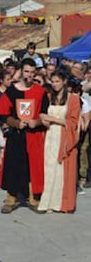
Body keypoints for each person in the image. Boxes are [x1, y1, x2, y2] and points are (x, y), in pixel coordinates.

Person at [0, 58, 49, 214]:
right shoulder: (12, 91)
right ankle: (11, 198)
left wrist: (37, 121)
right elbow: (3, 114)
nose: (29, 75)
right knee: (13, 165)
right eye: (26, 71)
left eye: (33, 72)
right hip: (16, 135)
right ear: (21, 72)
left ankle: (34, 198)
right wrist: (16, 123)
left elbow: (45, 114)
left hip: (34, 135)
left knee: (33, 165)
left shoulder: (40, 92)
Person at [38, 71, 81, 213]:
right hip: (49, 136)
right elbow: (42, 115)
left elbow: (73, 122)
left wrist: (52, 119)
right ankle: (47, 202)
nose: (55, 84)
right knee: (48, 169)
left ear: (63, 81)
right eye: (53, 81)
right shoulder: (49, 97)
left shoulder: (73, 99)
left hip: (64, 137)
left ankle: (60, 204)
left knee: (61, 170)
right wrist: (44, 120)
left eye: (57, 81)